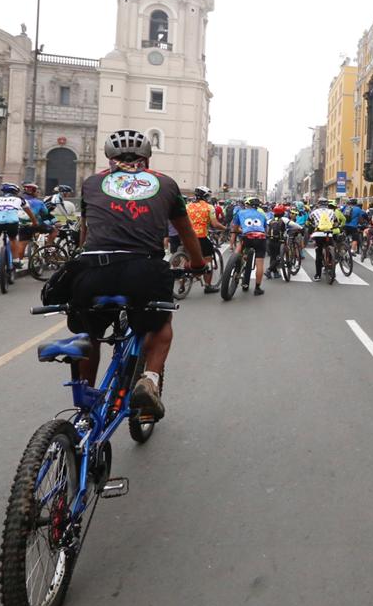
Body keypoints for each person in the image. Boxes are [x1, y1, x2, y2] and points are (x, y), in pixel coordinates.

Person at [66, 129, 206, 420]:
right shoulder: (166, 184)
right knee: (160, 325)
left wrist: (84, 257)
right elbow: (185, 231)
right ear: (147, 157)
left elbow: (85, 229)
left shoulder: (92, 183)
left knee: (89, 331)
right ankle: (149, 379)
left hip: (93, 268)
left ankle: (85, 408)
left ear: (109, 157)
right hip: (143, 270)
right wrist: (197, 264)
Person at [229, 197, 270, 295]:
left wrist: (241, 230)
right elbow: (265, 229)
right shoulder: (262, 215)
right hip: (260, 238)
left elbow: (235, 228)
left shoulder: (241, 212)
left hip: (247, 237)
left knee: (241, 243)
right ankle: (257, 288)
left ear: (247, 204)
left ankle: (235, 260)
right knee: (259, 263)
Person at [185, 186, 222, 294]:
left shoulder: (187, 206)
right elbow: (215, 224)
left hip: (188, 236)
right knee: (208, 259)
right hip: (201, 237)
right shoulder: (209, 207)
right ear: (205, 196)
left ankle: (182, 285)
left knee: (187, 258)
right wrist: (225, 228)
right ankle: (208, 285)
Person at [17, 182, 56, 263]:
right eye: (37, 191)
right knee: (54, 231)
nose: (38, 193)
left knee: (22, 244)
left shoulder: (19, 201)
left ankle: (19, 262)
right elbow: (45, 213)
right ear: (33, 192)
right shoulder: (38, 202)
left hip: (22, 225)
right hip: (35, 224)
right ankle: (48, 247)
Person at [307, 199, 343, 281]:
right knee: (331, 248)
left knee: (318, 254)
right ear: (327, 204)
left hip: (318, 234)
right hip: (329, 234)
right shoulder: (332, 212)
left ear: (318, 204)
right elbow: (336, 223)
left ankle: (317, 275)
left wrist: (312, 227)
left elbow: (308, 222)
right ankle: (331, 268)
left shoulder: (314, 212)